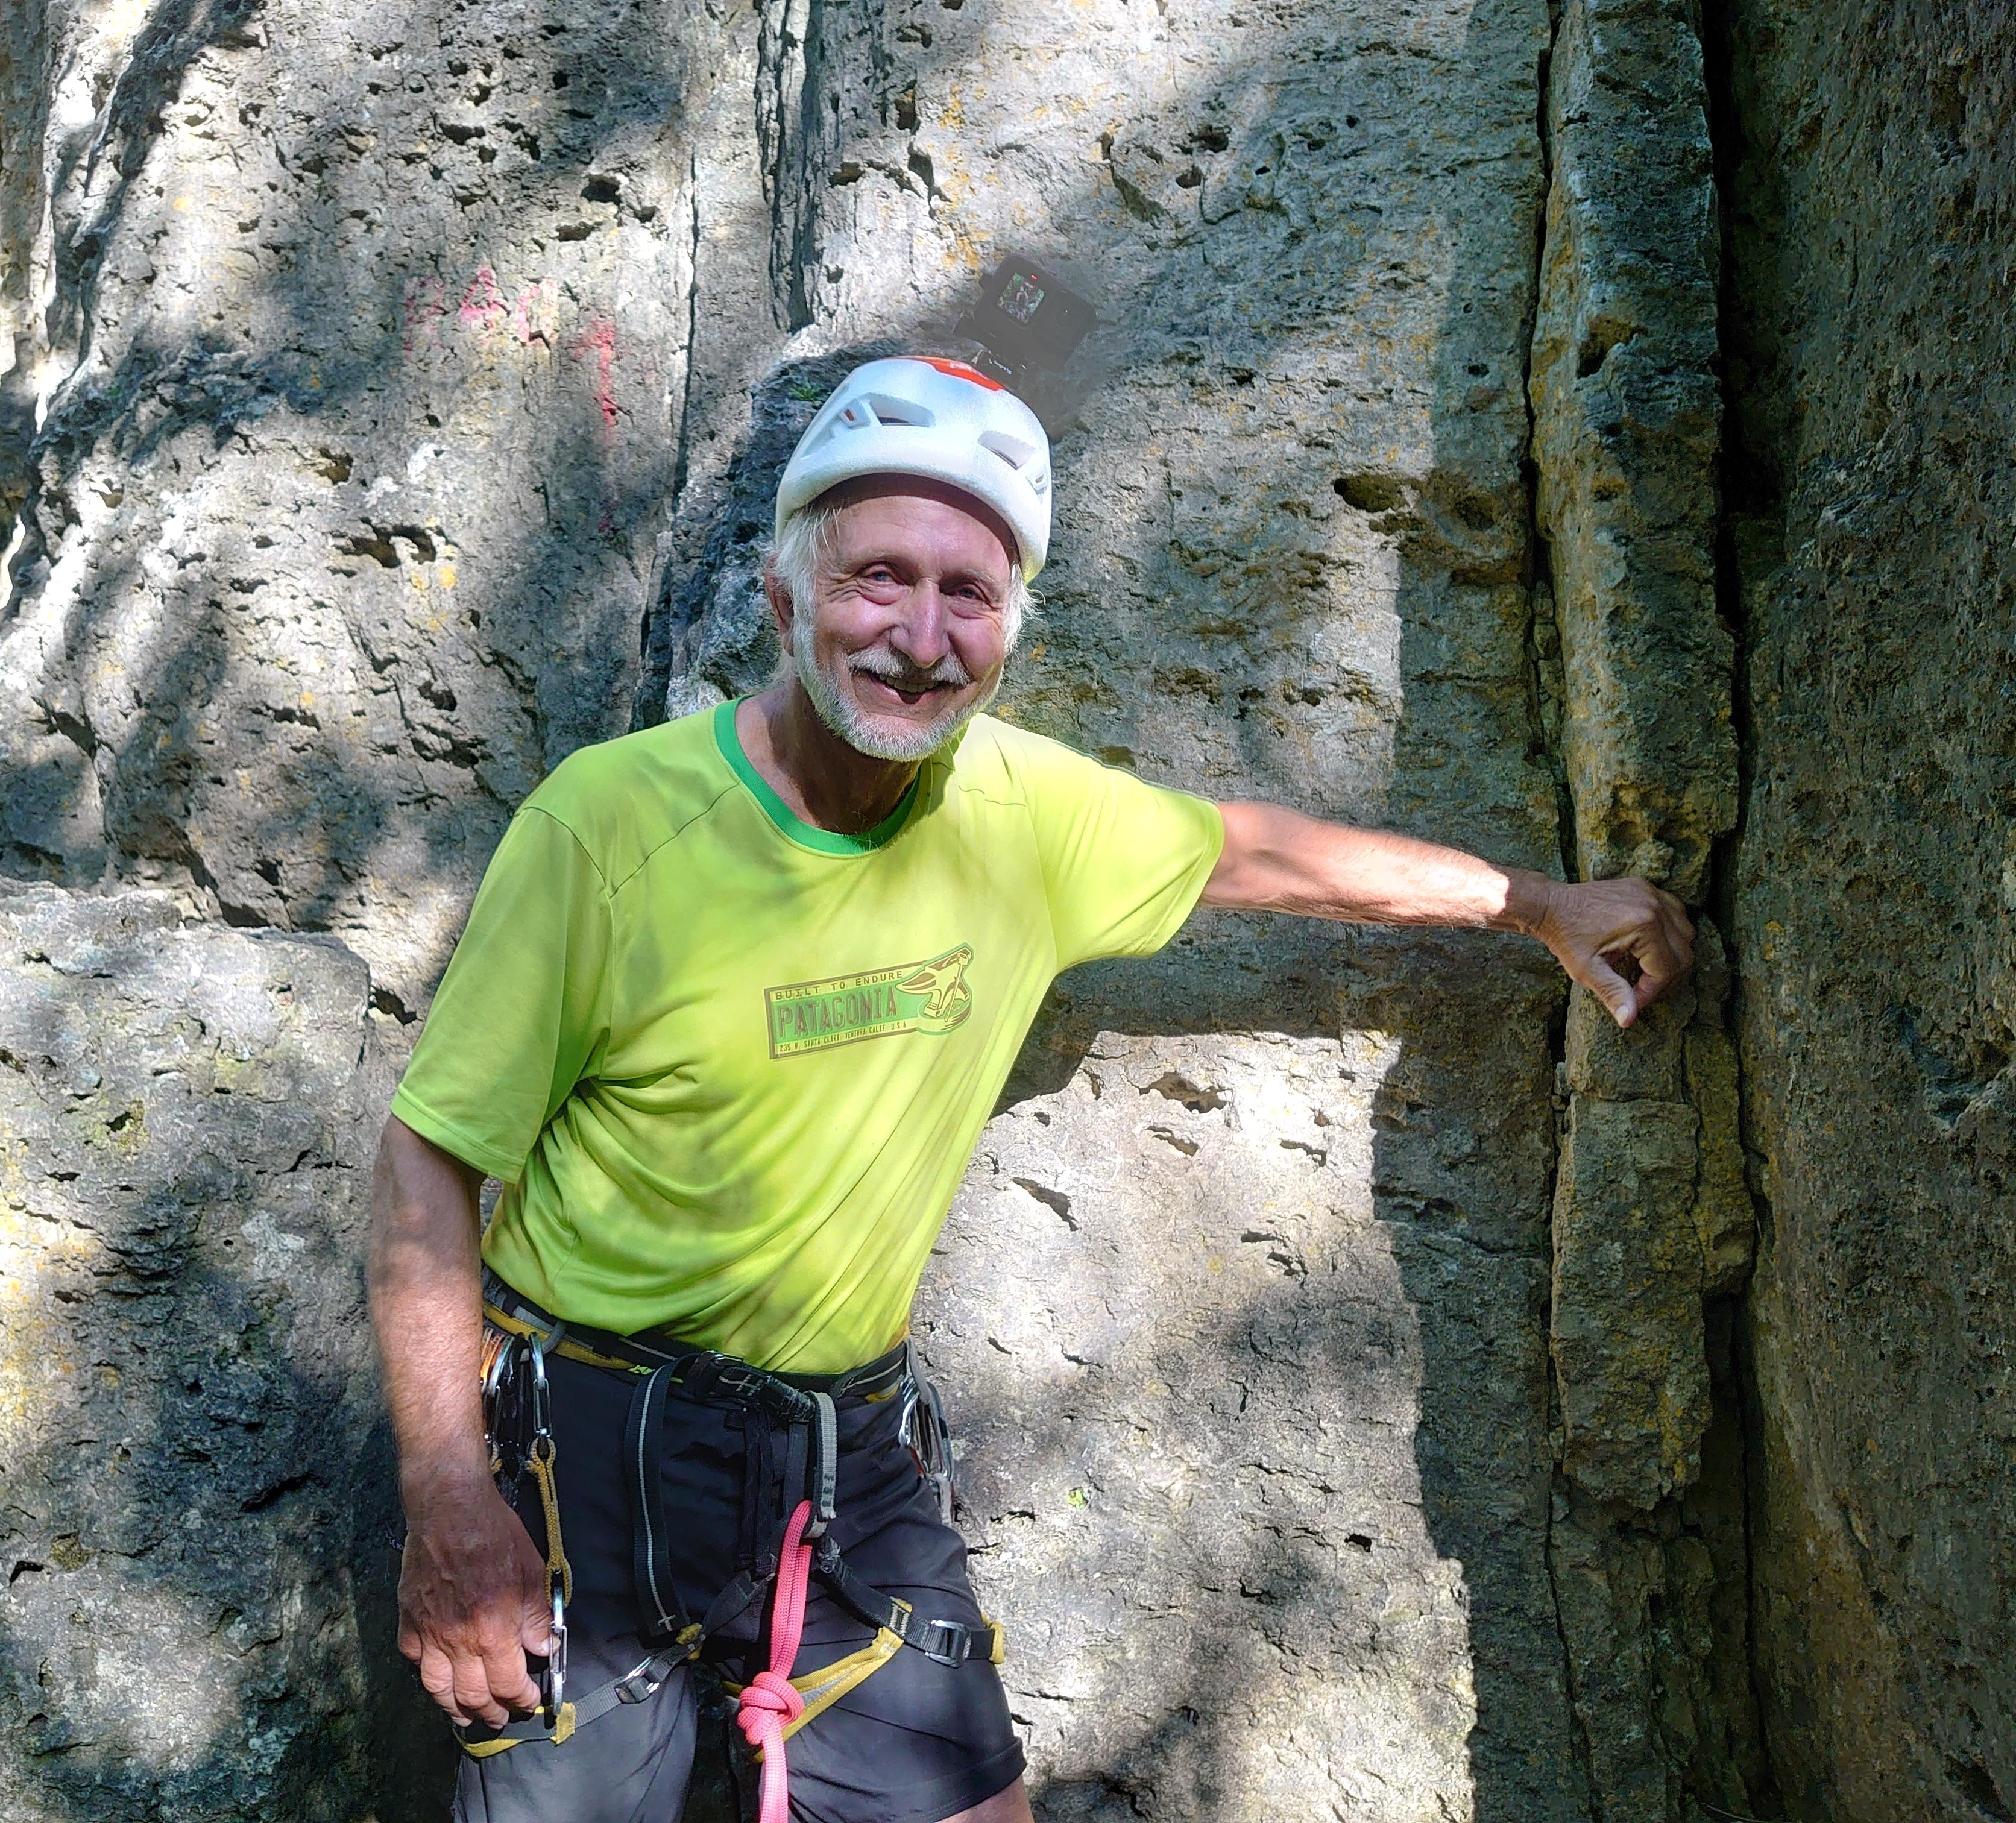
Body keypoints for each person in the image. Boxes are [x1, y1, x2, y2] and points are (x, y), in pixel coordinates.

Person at [368, 356, 1693, 1823]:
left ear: (1009, 631)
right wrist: (448, 1503)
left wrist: (1526, 903)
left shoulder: (1025, 814)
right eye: (879, 578)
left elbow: (1258, 854)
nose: (922, 637)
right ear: (786, 592)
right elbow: (429, 1169)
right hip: (592, 1450)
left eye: (969, 595)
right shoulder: (609, 826)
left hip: (837, 1449)